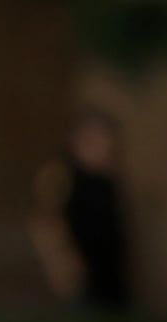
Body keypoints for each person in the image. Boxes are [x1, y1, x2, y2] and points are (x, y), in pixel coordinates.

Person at [29, 109, 130, 310]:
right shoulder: (62, 174)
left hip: (107, 279)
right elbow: (43, 222)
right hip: (79, 281)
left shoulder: (106, 181)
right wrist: (61, 265)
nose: (109, 148)